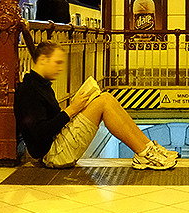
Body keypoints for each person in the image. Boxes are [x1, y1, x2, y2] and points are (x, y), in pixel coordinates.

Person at [14, 41, 178, 170]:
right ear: (42, 60)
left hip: (57, 145)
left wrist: (74, 108)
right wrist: (73, 109)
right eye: (56, 63)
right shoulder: (30, 91)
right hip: (53, 155)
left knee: (106, 97)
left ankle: (148, 147)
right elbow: (39, 133)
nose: (60, 68)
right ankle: (144, 154)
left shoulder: (40, 84)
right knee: (103, 102)